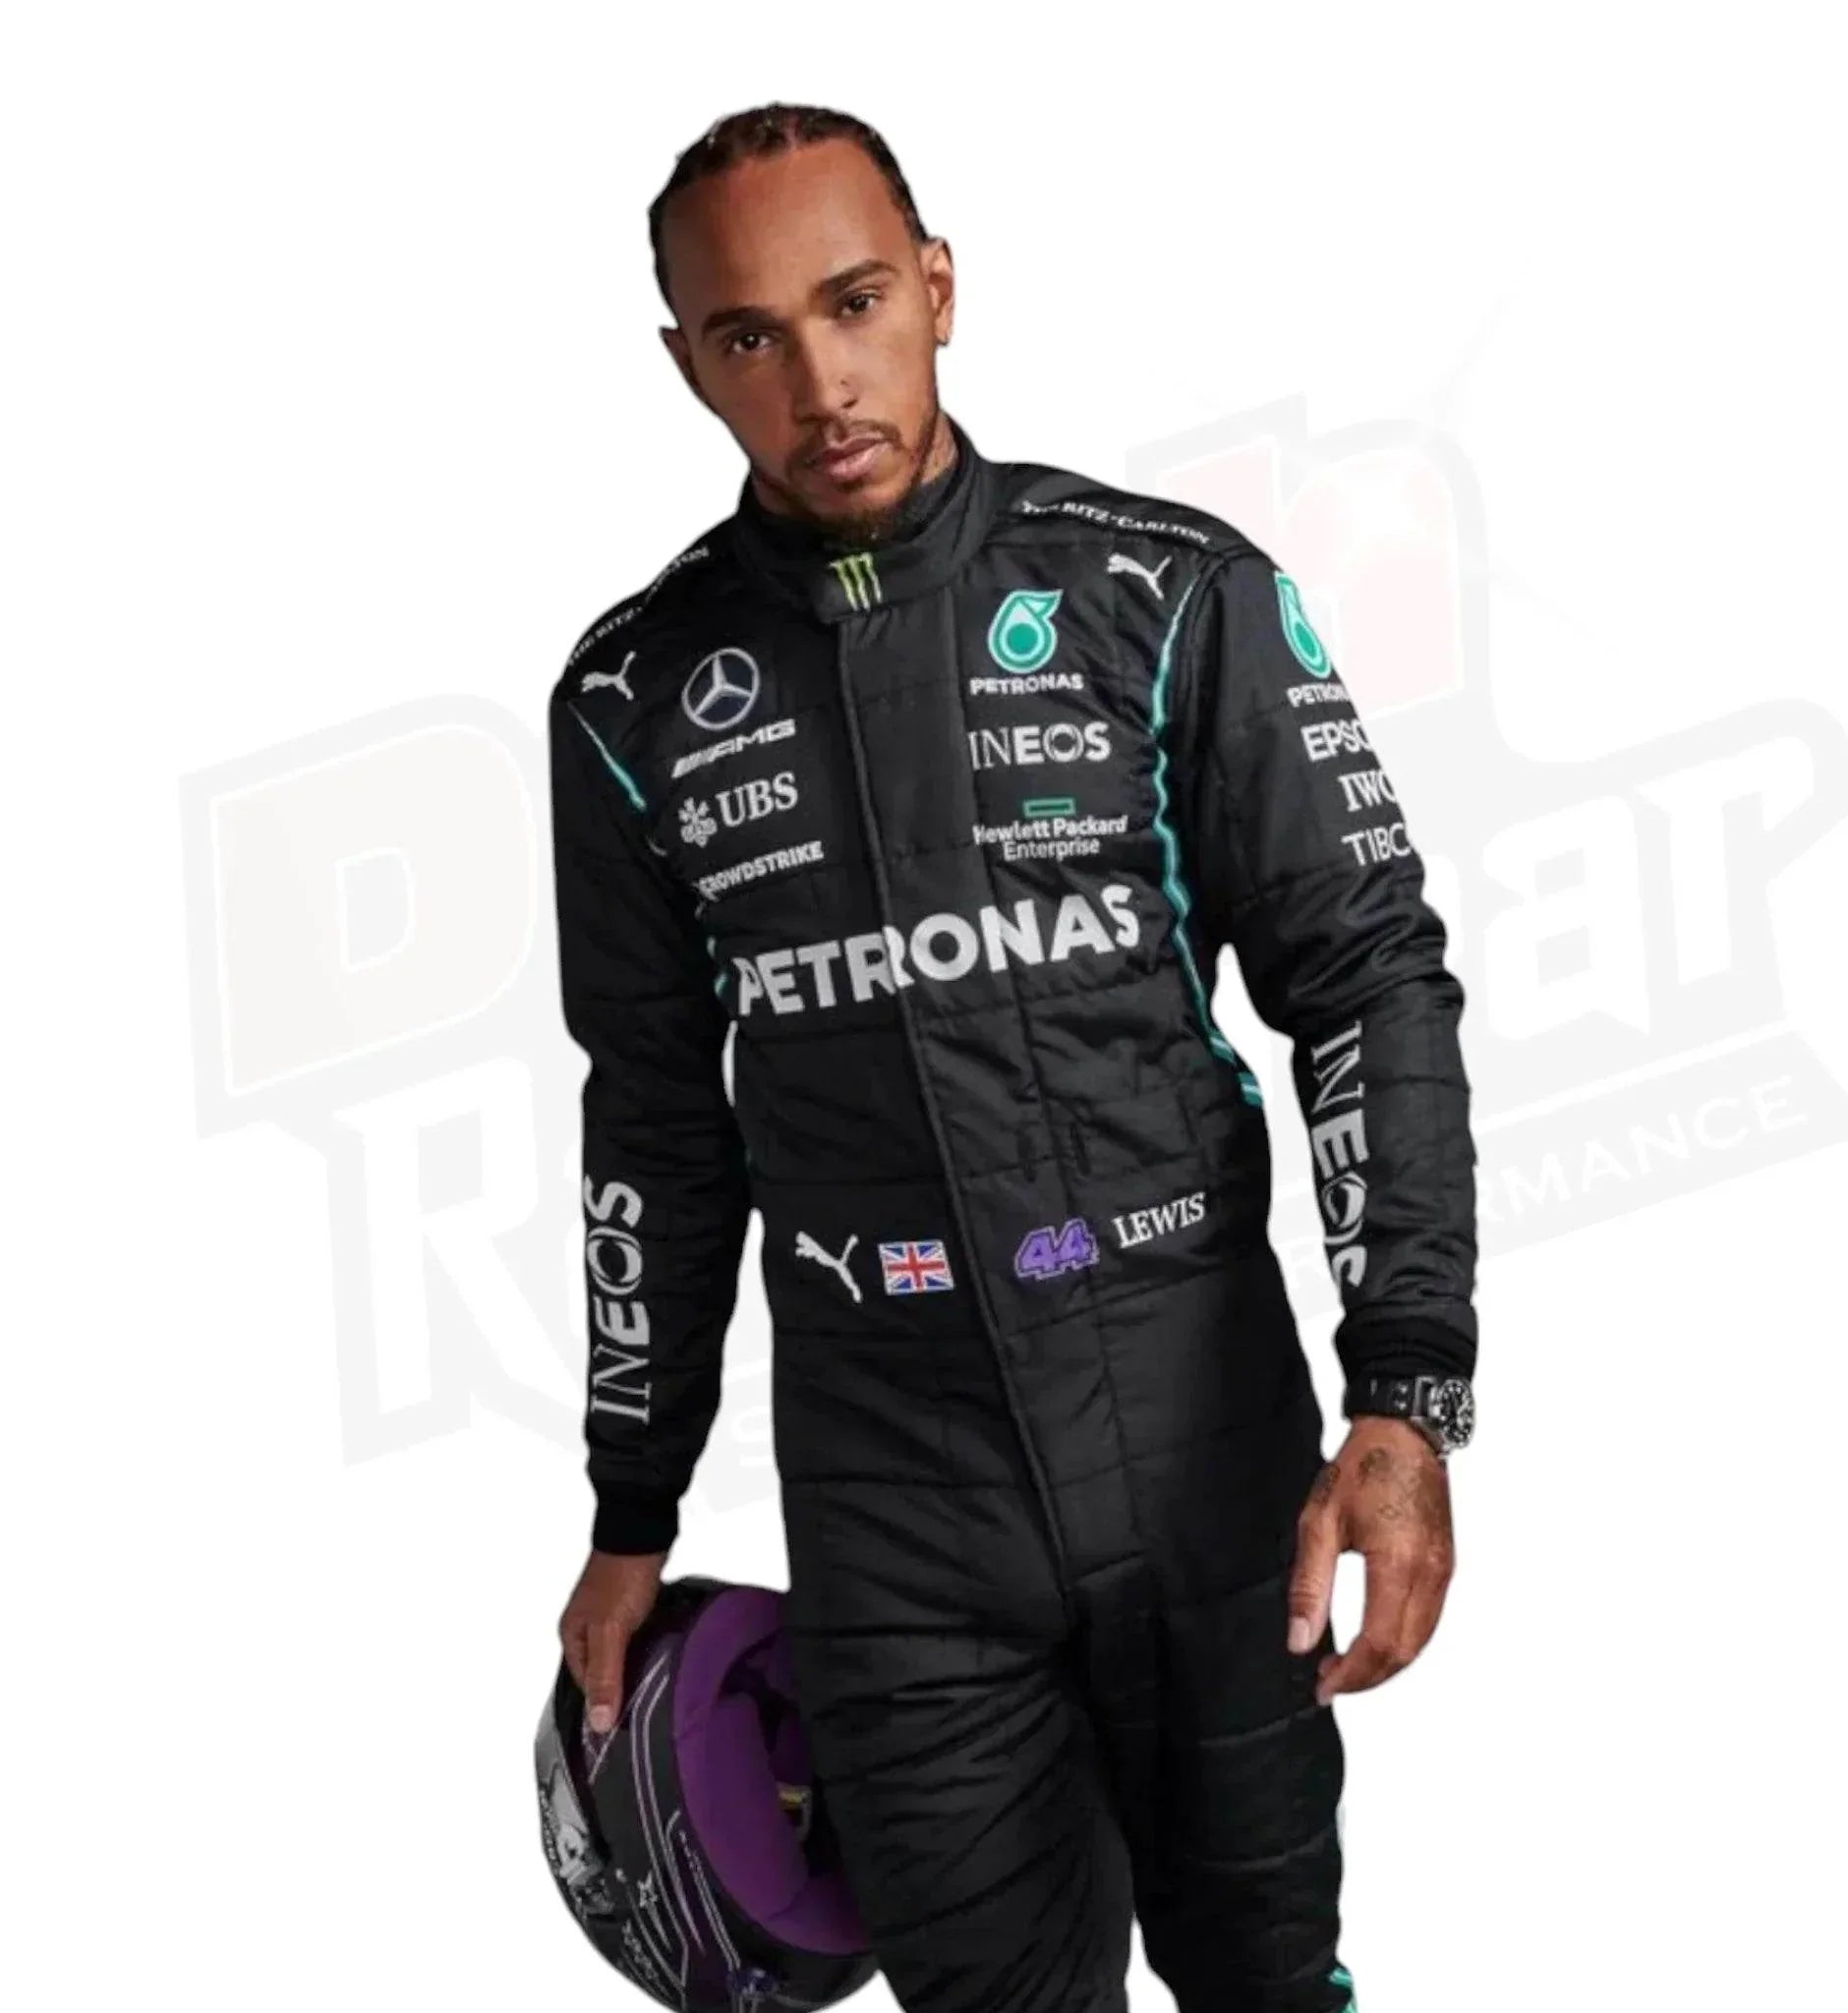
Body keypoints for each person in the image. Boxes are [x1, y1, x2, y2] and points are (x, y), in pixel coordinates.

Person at [549, 101, 1479, 2013]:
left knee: (1265, 1980)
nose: (820, 382)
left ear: (939, 288)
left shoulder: (1164, 593)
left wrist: (1404, 1398)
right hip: (892, 1493)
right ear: (685, 364)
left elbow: (1368, 976)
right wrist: (631, 1509)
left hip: (1204, 1441)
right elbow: (651, 1125)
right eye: (748, 335)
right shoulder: (632, 700)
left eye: (855, 303)